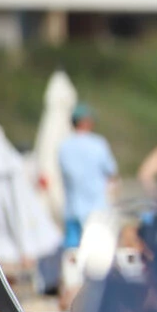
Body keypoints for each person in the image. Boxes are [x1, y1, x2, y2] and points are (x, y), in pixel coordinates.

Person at [58, 103, 118, 248]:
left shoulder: (64, 146)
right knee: (97, 251)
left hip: (72, 207)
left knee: (72, 252)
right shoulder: (98, 144)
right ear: (88, 122)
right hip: (97, 208)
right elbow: (112, 171)